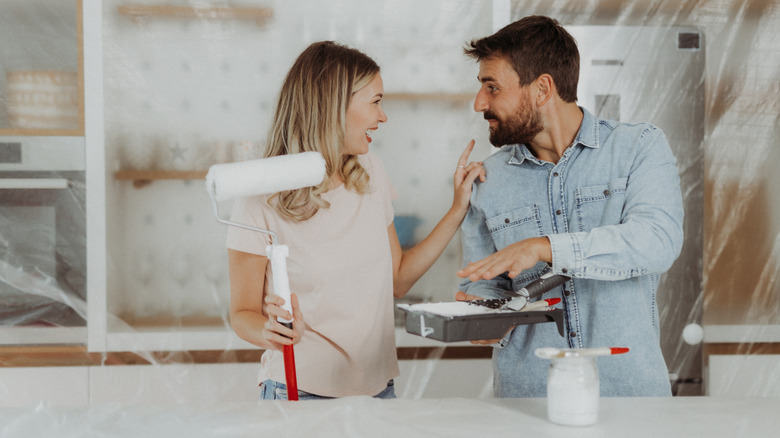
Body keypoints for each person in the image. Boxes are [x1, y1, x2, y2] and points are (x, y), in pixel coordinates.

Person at [226, 41, 485, 400]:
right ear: (334, 105)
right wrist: (269, 329)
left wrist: (458, 208)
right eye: (376, 101)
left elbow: (399, 279)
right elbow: (242, 313)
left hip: (378, 390)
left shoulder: (369, 173)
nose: (383, 116)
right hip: (298, 390)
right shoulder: (261, 196)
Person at [455, 16, 684, 398]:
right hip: (528, 402)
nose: (480, 103)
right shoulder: (487, 180)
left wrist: (544, 247)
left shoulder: (638, 148)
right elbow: (482, 283)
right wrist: (484, 315)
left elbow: (658, 241)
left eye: (492, 87)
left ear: (542, 88)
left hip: (628, 399)